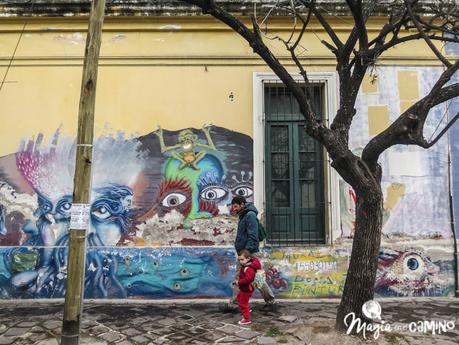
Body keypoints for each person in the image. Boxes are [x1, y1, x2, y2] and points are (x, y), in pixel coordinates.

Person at [221, 195, 276, 312]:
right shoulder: (244, 215)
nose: (234, 209)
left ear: (242, 204)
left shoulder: (249, 215)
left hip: (248, 253)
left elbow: (253, 236)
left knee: (251, 278)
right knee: (252, 278)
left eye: (236, 206)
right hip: (245, 253)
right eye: (233, 207)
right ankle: (270, 302)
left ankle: (235, 304)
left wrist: (246, 254)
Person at [235, 249, 260, 325]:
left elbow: (249, 279)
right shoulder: (246, 265)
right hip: (245, 288)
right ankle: (246, 310)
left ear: (248, 259)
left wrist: (239, 282)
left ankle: (246, 319)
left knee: (243, 303)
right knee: (240, 298)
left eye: (242, 260)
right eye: (239, 260)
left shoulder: (248, 268)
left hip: (246, 288)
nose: (240, 262)